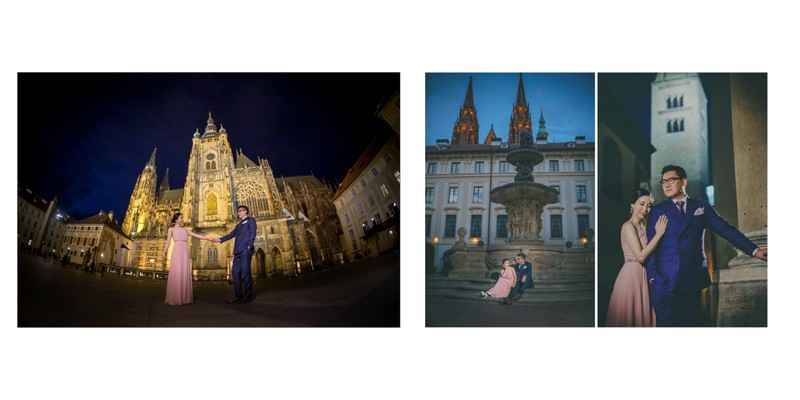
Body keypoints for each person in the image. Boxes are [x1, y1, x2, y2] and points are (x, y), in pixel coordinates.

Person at [646, 165, 768, 327]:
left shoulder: (701, 207)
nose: (666, 184)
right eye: (663, 182)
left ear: (683, 181)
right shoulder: (657, 211)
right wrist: (653, 278)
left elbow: (726, 230)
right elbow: (651, 247)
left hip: (693, 283)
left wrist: (755, 250)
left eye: (671, 180)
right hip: (665, 285)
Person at [606, 189, 667, 327]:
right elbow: (640, 256)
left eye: (649, 205)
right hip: (631, 276)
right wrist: (659, 234)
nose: (645, 209)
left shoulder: (645, 228)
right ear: (633, 204)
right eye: (641, 204)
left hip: (644, 276)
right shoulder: (628, 226)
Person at [162, 212, 213, 306]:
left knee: (184, 272)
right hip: (177, 249)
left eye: (182, 218)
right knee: (177, 271)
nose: (183, 220)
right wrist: (164, 252)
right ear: (176, 219)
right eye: (181, 218)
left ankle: (184, 298)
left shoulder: (185, 230)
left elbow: (197, 236)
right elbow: (168, 241)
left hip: (184, 250)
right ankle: (175, 297)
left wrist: (209, 239)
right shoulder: (171, 229)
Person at [213, 205, 257, 303]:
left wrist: (249, 246)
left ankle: (248, 296)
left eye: (240, 211)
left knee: (246, 273)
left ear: (246, 211)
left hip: (245, 249)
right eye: (238, 211)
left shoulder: (250, 220)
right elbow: (231, 235)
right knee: (235, 273)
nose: (239, 213)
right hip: (237, 252)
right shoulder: (239, 225)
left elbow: (253, 233)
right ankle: (238, 296)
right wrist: (219, 239)